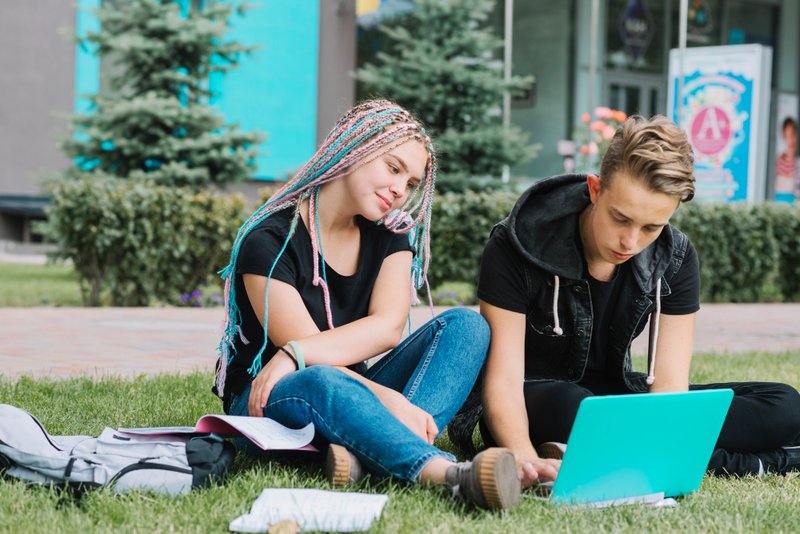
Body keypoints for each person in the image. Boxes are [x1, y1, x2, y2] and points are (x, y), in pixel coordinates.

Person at [450, 115, 800, 487]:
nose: (630, 242)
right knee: (576, 409)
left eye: (651, 227)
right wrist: (523, 457)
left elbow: (668, 395)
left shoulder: (676, 257)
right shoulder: (516, 242)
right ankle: (763, 462)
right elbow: (502, 380)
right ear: (596, 188)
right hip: (536, 398)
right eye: (621, 219)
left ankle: (597, 450)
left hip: (622, 401)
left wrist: (657, 421)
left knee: (782, 403)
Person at [212, 100, 520, 510]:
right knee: (320, 381)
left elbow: (388, 328)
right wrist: (385, 397)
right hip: (275, 399)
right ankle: (447, 474)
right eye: (393, 168)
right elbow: (314, 361)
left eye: (410, 183)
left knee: (468, 327)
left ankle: (360, 455)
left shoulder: (389, 237)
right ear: (352, 148)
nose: (399, 189)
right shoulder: (270, 241)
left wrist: (297, 354)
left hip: (348, 392)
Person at [774, 117, 800, 202]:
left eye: (793, 135)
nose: (791, 140)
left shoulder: (798, 164)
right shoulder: (776, 163)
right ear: (783, 137)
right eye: (787, 136)